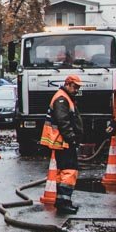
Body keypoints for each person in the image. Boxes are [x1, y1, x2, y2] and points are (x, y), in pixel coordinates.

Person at [40, 74, 84, 214]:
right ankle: (64, 202)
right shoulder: (62, 99)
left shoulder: (64, 98)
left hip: (61, 141)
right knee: (70, 171)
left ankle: (62, 201)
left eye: (78, 87)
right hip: (62, 141)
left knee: (62, 172)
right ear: (68, 84)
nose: (76, 89)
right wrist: (72, 138)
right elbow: (63, 121)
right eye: (75, 86)